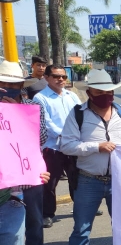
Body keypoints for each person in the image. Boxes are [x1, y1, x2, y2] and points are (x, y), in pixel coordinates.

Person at [58, 69, 121, 245]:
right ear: (90, 92)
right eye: (100, 91)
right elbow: (66, 144)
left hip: (120, 180)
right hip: (89, 180)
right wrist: (96, 147)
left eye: (109, 91)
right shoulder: (78, 114)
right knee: (82, 228)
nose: (106, 95)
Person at [0, 62, 49, 245]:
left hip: (29, 172)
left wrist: (17, 114)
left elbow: (42, 138)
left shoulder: (32, 107)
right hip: (4, 177)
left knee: (35, 217)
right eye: (3, 83)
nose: (7, 86)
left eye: (12, 83)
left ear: (21, 84)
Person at [33, 64, 81, 229]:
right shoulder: (40, 98)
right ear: (47, 78)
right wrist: (66, 135)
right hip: (53, 147)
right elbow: (45, 123)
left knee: (77, 178)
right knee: (50, 183)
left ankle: (81, 207)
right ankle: (48, 214)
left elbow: (80, 114)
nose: (60, 79)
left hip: (73, 145)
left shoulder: (71, 96)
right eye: (56, 76)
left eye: (63, 76)